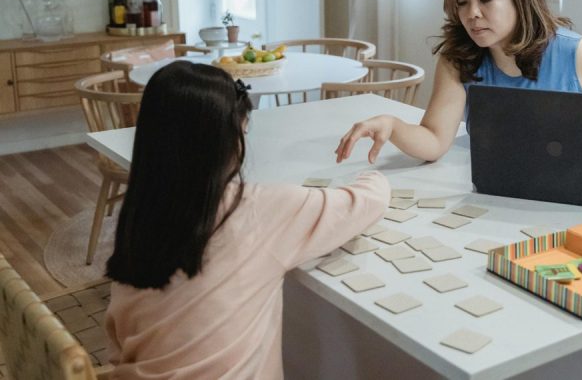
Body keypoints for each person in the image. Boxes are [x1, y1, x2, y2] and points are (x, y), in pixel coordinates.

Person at [105, 61, 389, 379]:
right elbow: (368, 201)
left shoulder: (136, 220)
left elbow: (118, 344)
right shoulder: (258, 209)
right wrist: (370, 175)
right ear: (232, 138)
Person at [335, 0, 582, 164]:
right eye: (462, 2)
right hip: (494, 188)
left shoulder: (578, 55)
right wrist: (393, 125)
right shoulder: (458, 58)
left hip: (572, 190)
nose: (472, 13)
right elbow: (434, 140)